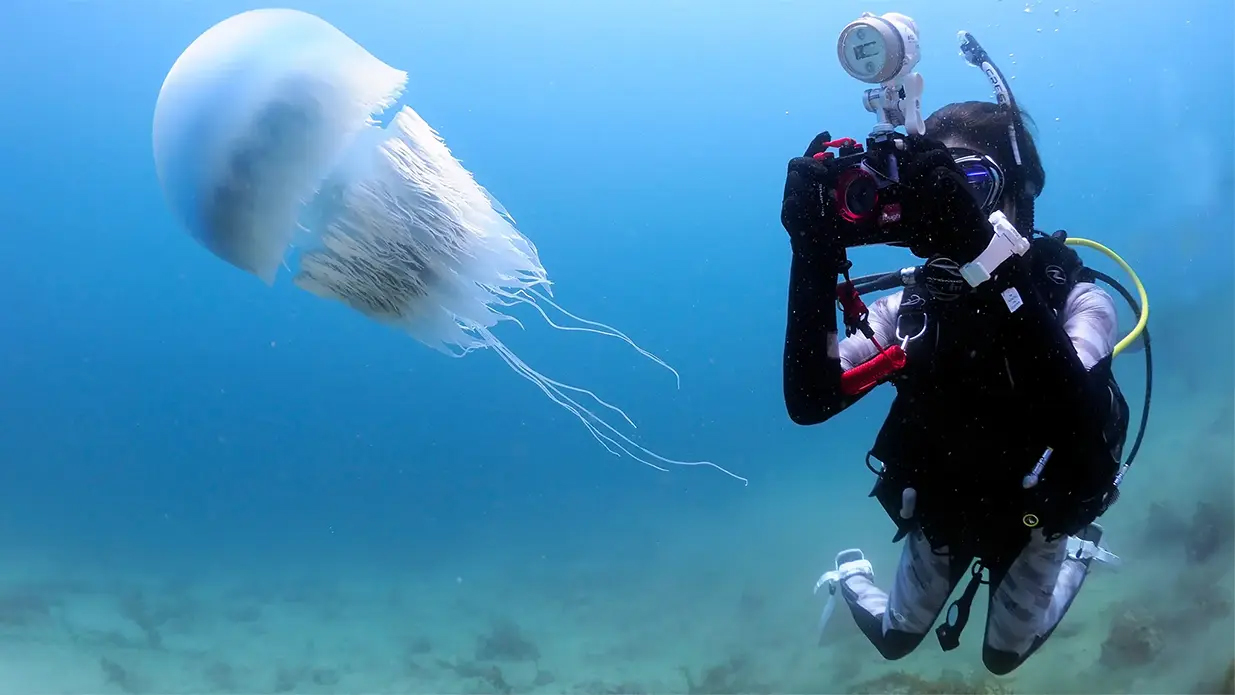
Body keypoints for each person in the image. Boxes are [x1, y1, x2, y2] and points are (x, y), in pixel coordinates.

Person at [779, 97, 1130, 675]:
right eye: (936, 190)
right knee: (895, 639)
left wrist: (984, 258)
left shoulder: (1078, 300)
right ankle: (849, 577)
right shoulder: (914, 310)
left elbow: (1085, 446)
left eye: (972, 186)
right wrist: (811, 259)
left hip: (1040, 515)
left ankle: (1082, 551)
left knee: (1002, 658)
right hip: (944, 508)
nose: (950, 211)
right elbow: (811, 398)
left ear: (1023, 194)